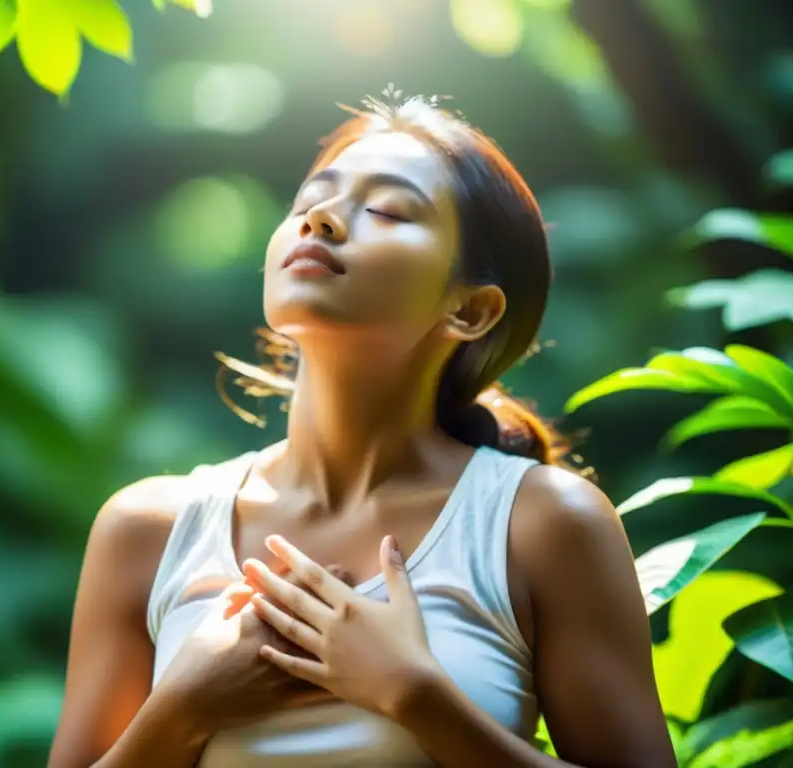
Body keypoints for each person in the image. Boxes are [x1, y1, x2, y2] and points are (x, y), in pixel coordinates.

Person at [48, 90, 677, 768]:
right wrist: (182, 708)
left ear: (469, 311)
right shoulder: (148, 531)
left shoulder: (544, 525)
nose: (320, 218)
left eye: (387, 209)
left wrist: (415, 696)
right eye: (309, 201)